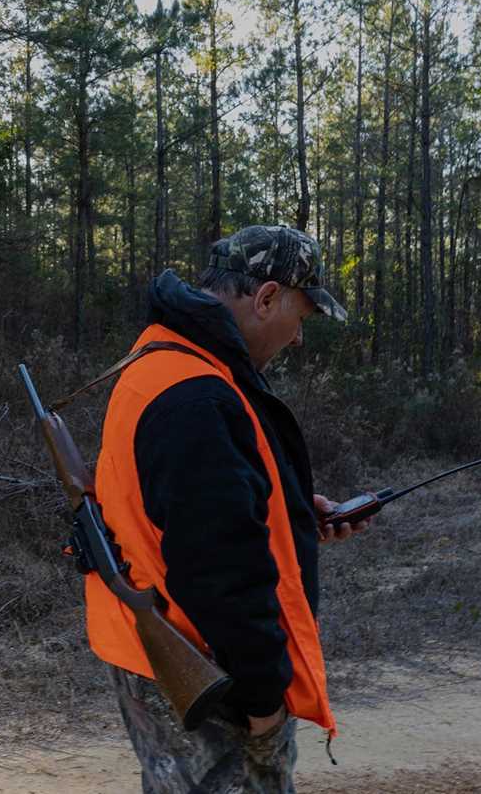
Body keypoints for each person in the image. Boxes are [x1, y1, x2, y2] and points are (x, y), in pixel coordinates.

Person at [86, 225, 368, 794]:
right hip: (212, 676)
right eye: (302, 318)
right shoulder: (200, 396)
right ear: (266, 298)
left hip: (158, 654)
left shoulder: (160, 362)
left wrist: (290, 513)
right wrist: (263, 701)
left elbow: (181, 508)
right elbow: (217, 570)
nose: (297, 340)